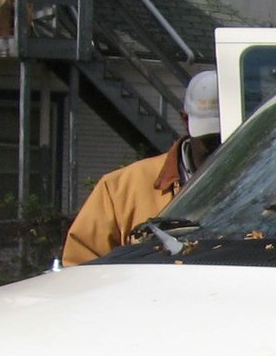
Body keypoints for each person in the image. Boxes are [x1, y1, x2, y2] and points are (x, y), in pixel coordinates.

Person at [62, 70, 222, 266]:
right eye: (209, 138)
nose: (220, 144)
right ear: (185, 121)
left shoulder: (262, 187)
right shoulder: (119, 191)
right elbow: (80, 266)